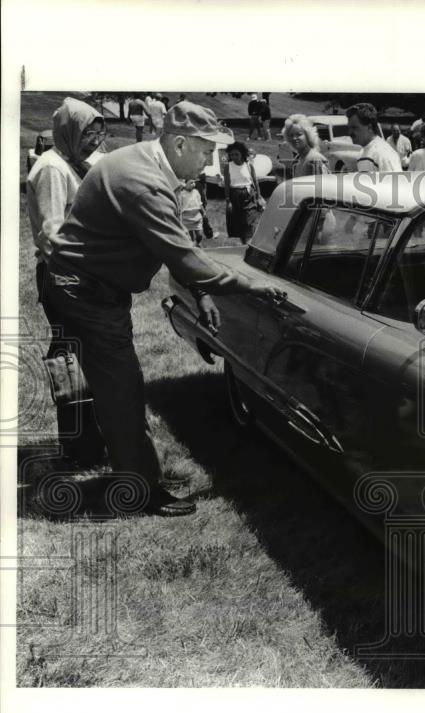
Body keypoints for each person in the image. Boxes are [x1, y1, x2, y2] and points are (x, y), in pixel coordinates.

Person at [42, 101, 282, 516]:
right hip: (85, 290)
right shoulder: (143, 181)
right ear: (180, 142)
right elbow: (183, 256)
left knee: (112, 383)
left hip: (87, 285)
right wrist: (253, 286)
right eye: (206, 152)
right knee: (123, 388)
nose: (210, 164)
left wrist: (203, 293)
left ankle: (126, 468)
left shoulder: (141, 163)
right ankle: (138, 492)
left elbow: (175, 249)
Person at [26, 97, 107, 468]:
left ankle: (88, 445)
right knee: (73, 362)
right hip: (64, 276)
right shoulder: (52, 170)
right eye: (88, 133)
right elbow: (51, 233)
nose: (94, 141)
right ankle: (81, 449)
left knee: (83, 359)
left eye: (98, 134)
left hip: (79, 273)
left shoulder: (73, 163)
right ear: (69, 131)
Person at [223, 141, 263, 244]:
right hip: (235, 196)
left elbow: (255, 182)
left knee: (249, 221)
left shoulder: (248, 165)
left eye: (236, 154)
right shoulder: (228, 167)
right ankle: (244, 244)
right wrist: (228, 201)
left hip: (249, 195)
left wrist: (259, 197)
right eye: (232, 154)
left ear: (242, 154)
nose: (234, 157)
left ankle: (249, 243)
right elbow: (227, 184)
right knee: (239, 224)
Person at [346, 103, 402, 172]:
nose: (350, 133)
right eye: (349, 128)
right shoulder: (362, 153)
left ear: (369, 127)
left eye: (354, 128)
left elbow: (395, 182)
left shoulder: (383, 154)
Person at [179, 178, 207, 246]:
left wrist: (203, 211)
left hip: (196, 215)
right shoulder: (182, 194)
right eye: (191, 183)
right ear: (185, 184)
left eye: (194, 182)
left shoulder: (196, 192)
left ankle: (196, 244)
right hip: (186, 217)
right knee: (189, 237)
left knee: (200, 235)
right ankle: (193, 248)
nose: (193, 184)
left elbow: (200, 203)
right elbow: (179, 206)